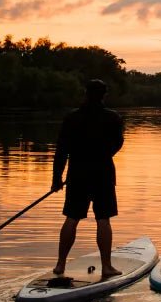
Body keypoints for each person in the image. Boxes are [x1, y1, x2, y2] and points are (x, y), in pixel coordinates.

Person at [51, 79, 124, 277]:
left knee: (72, 218)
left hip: (77, 173)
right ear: (104, 95)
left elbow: (61, 150)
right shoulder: (113, 118)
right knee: (103, 219)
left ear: (85, 93)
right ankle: (107, 266)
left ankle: (60, 265)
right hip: (103, 173)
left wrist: (56, 178)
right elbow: (117, 144)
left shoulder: (71, 118)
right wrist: (101, 155)